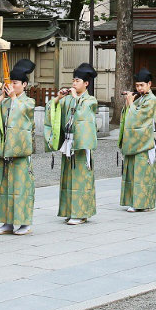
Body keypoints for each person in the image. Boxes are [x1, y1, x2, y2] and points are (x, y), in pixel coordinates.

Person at [0, 57, 37, 235]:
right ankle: (7, 222)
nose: (12, 85)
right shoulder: (5, 102)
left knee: (21, 188)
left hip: (20, 152)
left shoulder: (28, 102)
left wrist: (13, 98)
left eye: (15, 82)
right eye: (10, 82)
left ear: (24, 85)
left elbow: (23, 113)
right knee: (5, 187)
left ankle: (25, 223)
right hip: (6, 151)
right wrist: (3, 96)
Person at [44, 62, 99, 225]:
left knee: (81, 178)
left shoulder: (90, 100)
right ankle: (70, 210)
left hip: (81, 144)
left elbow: (85, 115)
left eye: (77, 81)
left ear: (86, 83)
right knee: (68, 178)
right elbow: (53, 109)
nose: (74, 83)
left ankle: (81, 212)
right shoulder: (68, 99)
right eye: (73, 80)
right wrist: (58, 98)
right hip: (68, 143)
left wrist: (75, 98)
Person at [118, 68, 156, 212]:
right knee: (133, 172)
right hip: (135, 141)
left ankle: (143, 203)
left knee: (143, 174)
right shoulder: (142, 98)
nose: (139, 88)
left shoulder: (152, 100)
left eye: (142, 85)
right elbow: (129, 115)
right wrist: (129, 104)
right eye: (137, 86)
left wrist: (130, 103)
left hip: (145, 142)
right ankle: (134, 201)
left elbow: (138, 118)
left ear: (149, 84)